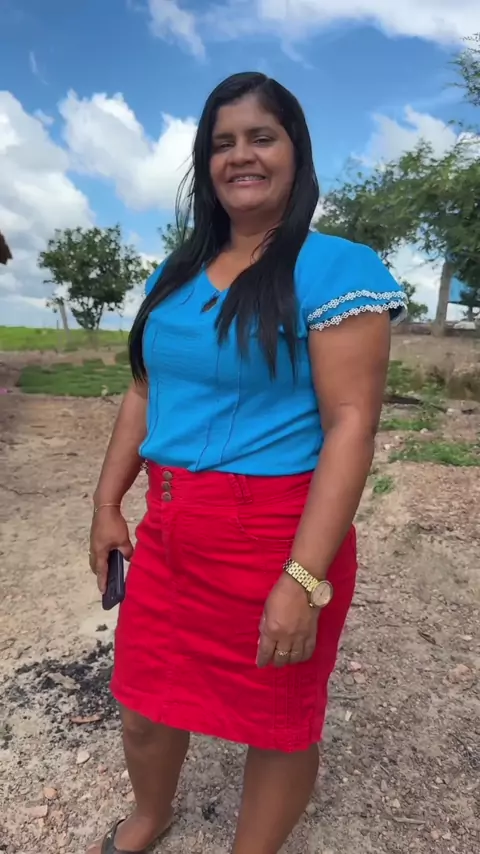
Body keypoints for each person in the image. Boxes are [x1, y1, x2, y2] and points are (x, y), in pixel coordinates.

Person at [88, 71, 406, 854]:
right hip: (170, 528)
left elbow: (351, 425)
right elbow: (144, 389)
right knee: (144, 700)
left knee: (277, 722)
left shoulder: (336, 270)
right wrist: (107, 503)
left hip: (274, 534)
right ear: (206, 163)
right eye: (222, 143)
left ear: (296, 151)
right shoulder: (175, 273)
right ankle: (150, 815)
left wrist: (303, 579)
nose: (241, 156)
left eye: (262, 137)